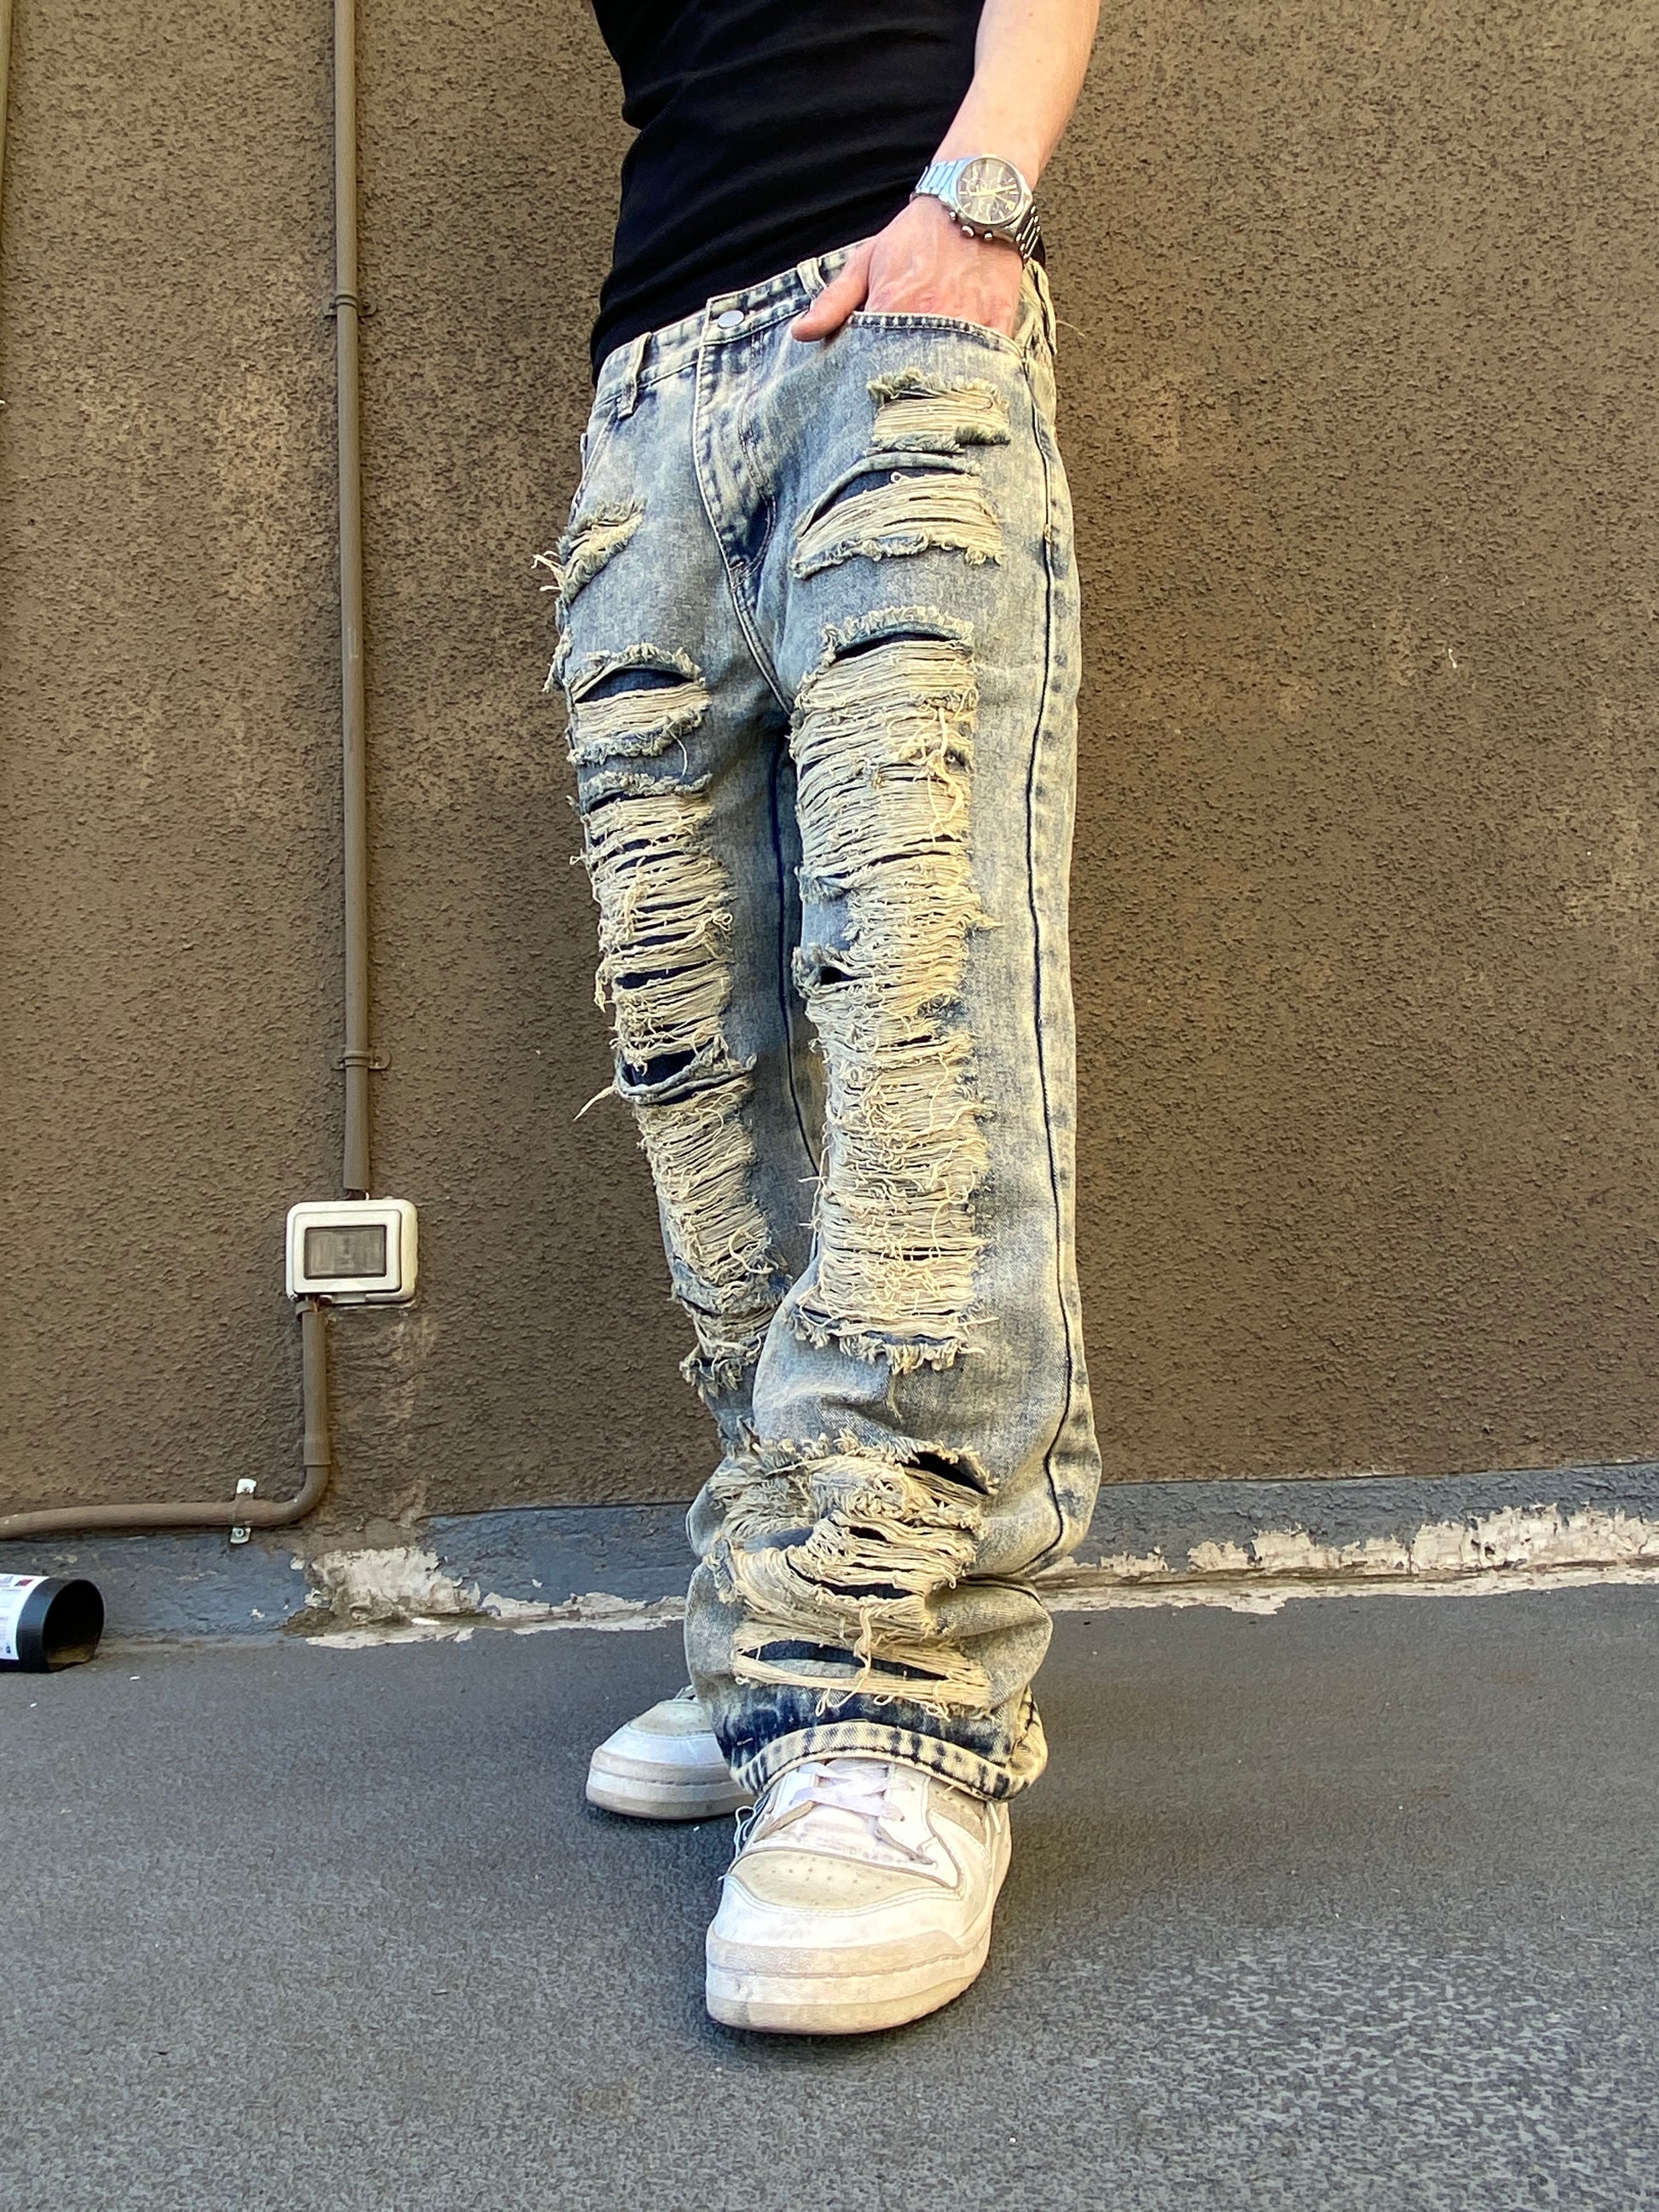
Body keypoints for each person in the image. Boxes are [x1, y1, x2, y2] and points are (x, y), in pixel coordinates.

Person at [545, 0, 1102, 2035]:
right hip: (649, 387)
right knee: (703, 1063)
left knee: (914, 1009)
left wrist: (979, 196)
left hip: (896, 312)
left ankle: (893, 1696)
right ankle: (776, 1636)